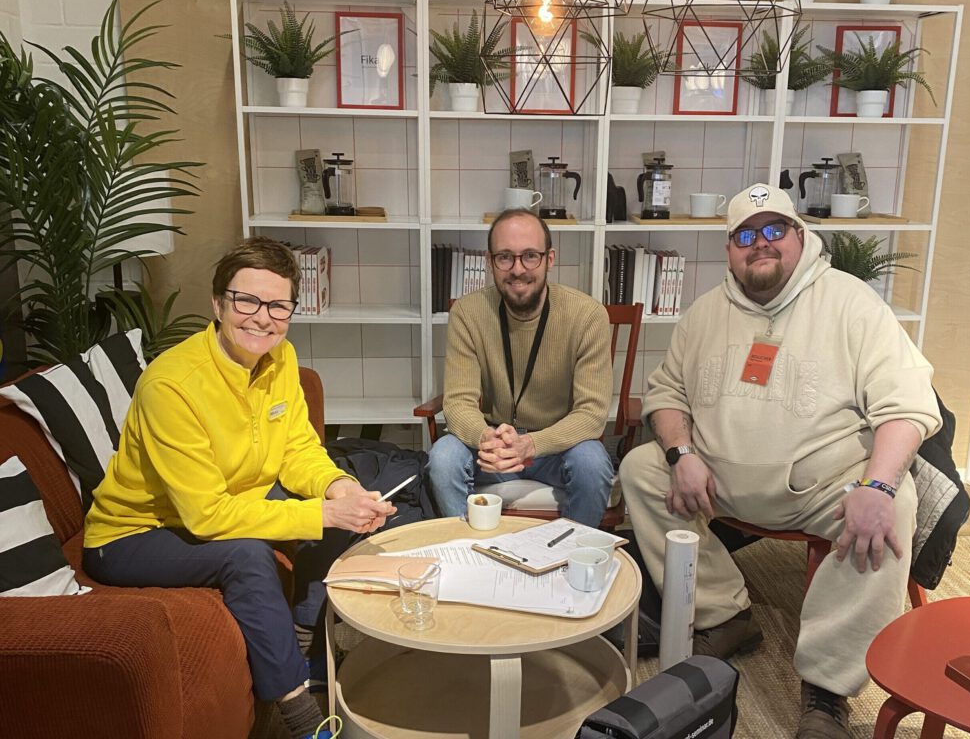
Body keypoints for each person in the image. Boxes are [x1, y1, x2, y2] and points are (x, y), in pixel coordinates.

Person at [620, 184, 941, 739]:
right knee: (641, 469)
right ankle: (726, 615)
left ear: (800, 236)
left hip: (823, 487)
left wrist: (880, 487)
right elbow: (666, 394)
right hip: (716, 476)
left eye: (774, 230)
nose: (760, 244)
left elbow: (908, 406)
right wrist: (682, 454)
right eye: (746, 234)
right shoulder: (703, 314)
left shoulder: (851, 303)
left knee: (895, 504)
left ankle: (826, 691)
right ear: (729, 249)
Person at [83, 237, 395, 739]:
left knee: (351, 499)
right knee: (247, 555)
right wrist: (320, 513)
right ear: (218, 304)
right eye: (246, 301)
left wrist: (337, 487)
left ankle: (297, 634)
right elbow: (206, 515)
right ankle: (298, 715)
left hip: (234, 499)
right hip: (132, 535)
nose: (261, 318)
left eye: (278, 305)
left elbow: (298, 449)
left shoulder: (282, 357)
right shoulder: (172, 385)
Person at [428, 208, 615, 528]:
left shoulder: (588, 316)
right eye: (505, 257)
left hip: (557, 448)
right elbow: (458, 402)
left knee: (593, 462)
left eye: (530, 256)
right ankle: (469, 553)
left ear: (550, 259)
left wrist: (531, 444)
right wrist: (485, 436)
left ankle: (572, 555)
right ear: (489, 261)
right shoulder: (467, 313)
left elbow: (592, 413)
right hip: (492, 449)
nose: (518, 269)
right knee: (443, 456)